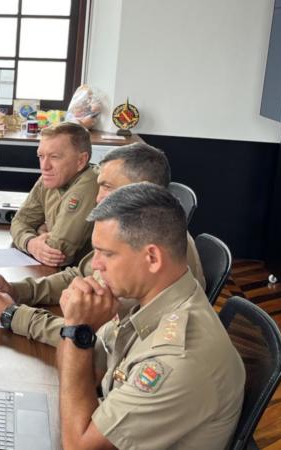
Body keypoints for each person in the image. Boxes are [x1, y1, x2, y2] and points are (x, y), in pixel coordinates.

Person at [55, 183, 244, 449]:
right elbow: (85, 373)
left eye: (107, 253)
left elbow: (77, 446)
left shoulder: (177, 359)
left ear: (152, 258)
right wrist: (77, 333)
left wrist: (77, 330)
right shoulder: (144, 297)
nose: (95, 264)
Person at [0, 143, 206, 346]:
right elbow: (80, 275)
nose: (98, 198)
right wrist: (18, 291)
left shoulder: (146, 251)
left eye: (107, 186)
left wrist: (12, 315)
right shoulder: (137, 232)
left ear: (143, 187)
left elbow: (100, 339)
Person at [10, 121, 98, 267]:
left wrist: (37, 231)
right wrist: (30, 242)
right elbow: (18, 222)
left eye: (54, 157)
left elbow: (57, 254)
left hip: (81, 277)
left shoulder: (89, 183)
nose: (45, 166)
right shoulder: (53, 177)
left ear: (81, 161)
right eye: (41, 156)